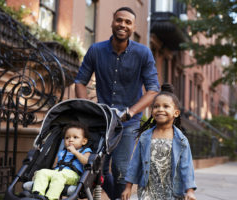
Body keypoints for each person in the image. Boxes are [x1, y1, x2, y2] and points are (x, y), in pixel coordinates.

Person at [74, 6, 159, 199]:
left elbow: (153, 89)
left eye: (128, 22)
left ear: (133, 27)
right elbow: (80, 81)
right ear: (113, 22)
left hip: (127, 123)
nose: (123, 25)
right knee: (98, 169)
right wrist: (87, 107)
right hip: (101, 120)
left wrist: (130, 111)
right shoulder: (96, 50)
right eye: (119, 20)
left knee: (121, 170)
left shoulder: (143, 53)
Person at [122, 84, 197, 200]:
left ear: (176, 113)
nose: (160, 109)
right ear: (152, 112)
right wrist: (128, 187)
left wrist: (190, 190)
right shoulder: (145, 137)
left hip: (172, 191)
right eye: (156, 106)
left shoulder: (181, 140)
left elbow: (187, 167)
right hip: (148, 190)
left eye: (166, 106)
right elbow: (135, 163)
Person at [31, 122, 92, 200]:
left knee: (59, 176)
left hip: (74, 175)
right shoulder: (62, 152)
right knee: (42, 172)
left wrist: (75, 152)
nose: (70, 140)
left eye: (75, 137)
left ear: (84, 141)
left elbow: (86, 162)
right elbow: (55, 165)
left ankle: (51, 198)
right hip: (58, 172)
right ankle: (38, 195)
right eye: (67, 138)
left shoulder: (85, 150)